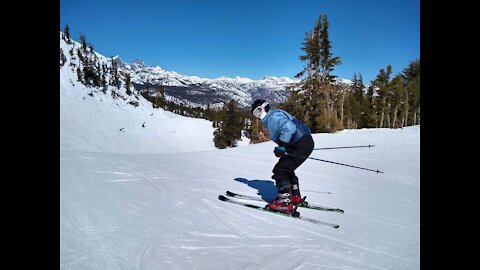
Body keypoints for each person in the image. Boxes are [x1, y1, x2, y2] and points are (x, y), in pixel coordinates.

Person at [250, 99, 314, 214]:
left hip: (299, 144)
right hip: (303, 142)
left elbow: (289, 128)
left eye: (259, 111)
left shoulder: (273, 117)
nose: (258, 115)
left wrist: (282, 145)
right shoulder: (275, 114)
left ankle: (285, 203)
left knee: (279, 171)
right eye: (255, 113)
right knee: (287, 169)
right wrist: (284, 146)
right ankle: (295, 197)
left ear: (265, 108)